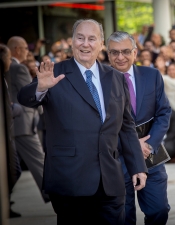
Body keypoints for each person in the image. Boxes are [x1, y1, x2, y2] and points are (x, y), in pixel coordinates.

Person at [17, 19, 147, 225]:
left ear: (101, 44)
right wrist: (40, 88)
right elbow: (24, 98)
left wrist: (138, 166)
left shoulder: (115, 78)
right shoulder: (54, 74)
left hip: (110, 182)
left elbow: (126, 126)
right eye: (80, 38)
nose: (85, 44)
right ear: (72, 42)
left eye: (91, 39)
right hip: (70, 181)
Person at [106, 31, 171, 225]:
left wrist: (150, 145)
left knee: (159, 210)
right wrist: (132, 144)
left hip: (149, 154)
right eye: (114, 52)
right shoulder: (99, 81)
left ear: (135, 52)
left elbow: (164, 113)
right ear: (108, 54)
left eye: (126, 51)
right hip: (117, 157)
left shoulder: (152, 75)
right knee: (123, 216)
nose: (120, 57)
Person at [6, 36, 50, 203]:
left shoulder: (9, 68)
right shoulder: (18, 68)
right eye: (25, 48)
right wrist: (43, 108)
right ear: (17, 49)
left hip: (14, 123)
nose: (28, 51)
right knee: (39, 161)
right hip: (23, 124)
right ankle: (53, 194)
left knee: (13, 167)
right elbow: (32, 96)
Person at [0, 44, 22, 218]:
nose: (10, 61)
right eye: (8, 58)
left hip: (9, 134)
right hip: (5, 136)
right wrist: (15, 109)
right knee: (13, 170)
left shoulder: (4, 76)